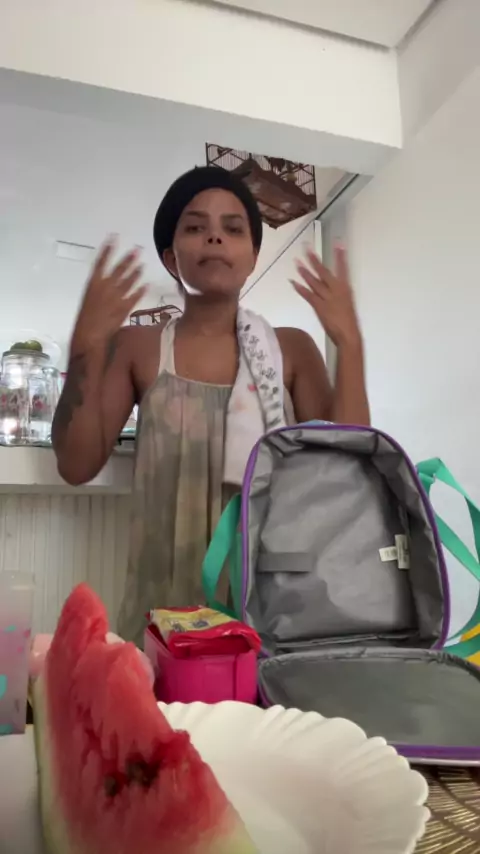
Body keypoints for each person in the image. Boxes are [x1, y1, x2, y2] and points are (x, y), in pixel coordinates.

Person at [52, 166, 370, 645]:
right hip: (164, 609)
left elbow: (347, 471)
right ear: (170, 257)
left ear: (253, 256)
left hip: (272, 610)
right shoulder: (138, 348)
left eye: (233, 228)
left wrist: (350, 344)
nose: (215, 238)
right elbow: (76, 465)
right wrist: (85, 347)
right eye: (196, 227)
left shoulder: (291, 350)